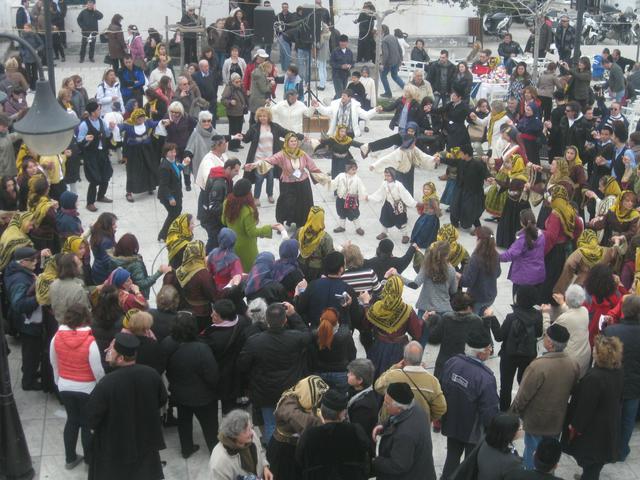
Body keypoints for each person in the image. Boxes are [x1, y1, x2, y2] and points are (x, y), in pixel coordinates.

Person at [87, 333, 167, 480]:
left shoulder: (107, 383)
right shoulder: (151, 374)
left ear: (121, 358)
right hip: (146, 439)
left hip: (115, 444)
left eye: (112, 350)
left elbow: (93, 416)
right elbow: (161, 399)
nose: (109, 352)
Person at [237, 302, 311, 444]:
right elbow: (307, 334)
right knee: (294, 423)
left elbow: (242, 364)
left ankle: (274, 454)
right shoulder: (295, 338)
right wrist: (294, 314)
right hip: (291, 390)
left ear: (267, 320)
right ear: (284, 320)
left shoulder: (254, 341)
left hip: (266, 391)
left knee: (271, 425)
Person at [510, 324, 580, 469]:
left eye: (546, 336)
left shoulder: (538, 366)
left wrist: (513, 414)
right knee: (548, 455)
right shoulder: (573, 364)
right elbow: (573, 390)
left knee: (532, 454)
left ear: (550, 343)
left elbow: (523, 396)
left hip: (536, 421)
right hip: (556, 420)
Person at [440, 326, 500, 479]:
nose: (490, 350)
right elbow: (489, 411)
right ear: (481, 353)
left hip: (452, 423)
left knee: (451, 459)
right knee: (470, 464)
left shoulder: (452, 363)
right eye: (489, 348)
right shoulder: (485, 378)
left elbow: (442, 390)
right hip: (473, 431)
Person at [50, 304, 104, 470]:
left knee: (72, 421)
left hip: (65, 386)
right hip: (86, 388)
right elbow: (98, 370)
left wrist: (59, 382)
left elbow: (54, 362)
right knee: (87, 425)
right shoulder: (90, 341)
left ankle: (70, 459)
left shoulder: (56, 338)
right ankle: (89, 461)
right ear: (86, 319)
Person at [562, 335, 623, 479]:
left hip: (594, 429)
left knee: (591, 461)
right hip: (609, 423)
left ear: (600, 355)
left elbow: (585, 407)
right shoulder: (618, 371)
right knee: (596, 461)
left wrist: (575, 427)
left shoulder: (595, 377)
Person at [161, 311, 220, 458]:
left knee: (184, 423)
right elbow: (212, 375)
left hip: (179, 393)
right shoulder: (201, 348)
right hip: (203, 397)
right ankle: (214, 451)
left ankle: (186, 449)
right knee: (210, 426)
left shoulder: (167, 343)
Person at [245, 133, 329, 227]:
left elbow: (312, 167)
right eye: (291, 141)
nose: (294, 143)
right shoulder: (282, 155)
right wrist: (254, 165)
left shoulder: (302, 154)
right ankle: (281, 222)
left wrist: (325, 179)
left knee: (303, 204)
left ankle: (301, 223)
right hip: (288, 184)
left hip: (303, 183)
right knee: (286, 203)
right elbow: (269, 160)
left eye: (295, 141)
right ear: (287, 142)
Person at [487, 285, 542, 411]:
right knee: (524, 384)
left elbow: (499, 337)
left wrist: (492, 318)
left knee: (505, 387)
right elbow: (538, 334)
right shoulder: (538, 316)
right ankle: (520, 409)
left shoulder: (511, 317)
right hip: (529, 356)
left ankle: (504, 412)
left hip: (509, 355)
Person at [295, 389, 370, 480]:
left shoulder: (309, 435)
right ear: (342, 414)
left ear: (322, 411)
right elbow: (367, 455)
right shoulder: (355, 431)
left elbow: (299, 461)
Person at [267, 375, 328, 480]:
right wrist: (323, 421)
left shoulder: (307, 401)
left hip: (299, 448)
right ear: (309, 392)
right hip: (284, 450)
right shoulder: (288, 403)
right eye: (318, 395)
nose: (319, 399)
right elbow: (303, 421)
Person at [371, 382, 437, 480]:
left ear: (399, 408)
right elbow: (396, 418)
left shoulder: (405, 435)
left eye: (387, 404)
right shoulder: (415, 408)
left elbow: (398, 466)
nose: (384, 405)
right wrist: (383, 426)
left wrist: (375, 461)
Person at [603, 294, 640, 461]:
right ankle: (622, 450)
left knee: (612, 417)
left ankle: (609, 448)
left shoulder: (612, 331)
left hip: (614, 382)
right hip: (635, 385)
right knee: (628, 420)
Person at [375, 341, 447, 422]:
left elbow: (378, 386)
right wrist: (427, 419)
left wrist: (394, 367)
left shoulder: (393, 376)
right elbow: (441, 408)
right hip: (419, 427)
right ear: (420, 358)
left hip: (393, 425)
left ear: (404, 359)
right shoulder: (433, 382)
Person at [6, 247, 46, 390]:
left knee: (31, 351)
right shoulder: (19, 280)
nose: (36, 261)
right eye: (33, 259)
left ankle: (29, 372)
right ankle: (28, 382)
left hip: (27, 321)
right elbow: (19, 304)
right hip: (27, 323)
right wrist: (39, 298)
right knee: (31, 352)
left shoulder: (20, 271)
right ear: (22, 262)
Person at [221, 178, 281, 271]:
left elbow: (223, 221)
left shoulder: (227, 202)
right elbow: (252, 232)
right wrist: (269, 228)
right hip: (247, 248)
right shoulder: (248, 211)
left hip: (231, 245)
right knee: (249, 270)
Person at [296, 251, 362, 329]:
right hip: (340, 334)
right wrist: (363, 303)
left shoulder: (313, 285)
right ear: (341, 269)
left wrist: (301, 292)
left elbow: (300, 308)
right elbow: (356, 318)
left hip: (315, 331)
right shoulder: (348, 290)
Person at [398, 240, 457, 321]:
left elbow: (415, 285)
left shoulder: (427, 266)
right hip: (444, 311)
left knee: (422, 332)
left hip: (425, 309)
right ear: (447, 255)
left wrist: (397, 275)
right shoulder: (451, 270)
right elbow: (454, 291)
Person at [208, 409, 273, 480]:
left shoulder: (251, 436)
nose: (251, 433)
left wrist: (265, 467)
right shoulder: (219, 462)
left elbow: (260, 452)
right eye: (246, 431)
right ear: (234, 435)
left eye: (251, 428)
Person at [439, 143, 490, 231]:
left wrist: (488, 177)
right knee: (454, 207)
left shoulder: (477, 164)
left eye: (461, 153)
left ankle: (478, 228)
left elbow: (485, 173)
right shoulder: (461, 161)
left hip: (473, 192)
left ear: (466, 154)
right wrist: (440, 159)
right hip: (460, 189)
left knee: (470, 211)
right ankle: (454, 225)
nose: (459, 154)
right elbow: (451, 161)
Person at [77, 100, 113, 212]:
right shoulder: (84, 125)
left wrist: (111, 128)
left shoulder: (101, 121)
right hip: (91, 155)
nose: (100, 110)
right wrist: (86, 140)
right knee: (94, 179)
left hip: (102, 153)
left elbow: (107, 134)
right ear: (93, 112)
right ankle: (90, 202)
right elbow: (79, 141)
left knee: (106, 175)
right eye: (98, 109)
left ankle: (101, 196)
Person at [117, 108, 160, 201]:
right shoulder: (128, 125)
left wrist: (164, 121)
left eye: (142, 118)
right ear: (134, 118)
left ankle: (150, 186)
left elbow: (156, 123)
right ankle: (129, 192)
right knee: (132, 172)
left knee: (149, 168)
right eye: (139, 118)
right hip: (133, 152)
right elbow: (119, 128)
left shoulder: (147, 122)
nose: (141, 120)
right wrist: (113, 127)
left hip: (147, 150)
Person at [310, 308, 357, 393]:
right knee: (340, 400)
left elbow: (312, 355)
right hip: (340, 374)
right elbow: (352, 354)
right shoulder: (345, 334)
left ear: (321, 320)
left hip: (320, 372)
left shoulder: (314, 335)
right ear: (337, 321)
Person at [368, 167, 419, 244]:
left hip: (398, 205)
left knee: (401, 220)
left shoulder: (399, 185)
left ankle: (405, 235)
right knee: (384, 218)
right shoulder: (384, 183)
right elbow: (379, 193)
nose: (387, 177)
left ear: (393, 175)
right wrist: (369, 197)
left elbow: (406, 195)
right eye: (385, 175)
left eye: (389, 175)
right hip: (388, 204)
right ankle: (384, 232)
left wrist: (414, 203)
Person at [202, 158, 241, 253]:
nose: (237, 173)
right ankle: (207, 261)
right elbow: (214, 207)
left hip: (215, 218)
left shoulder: (224, 179)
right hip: (213, 221)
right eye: (235, 170)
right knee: (213, 243)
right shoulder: (219, 184)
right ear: (228, 169)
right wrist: (230, 207)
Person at [460, 227, 501, 315]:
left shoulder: (475, 258)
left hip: (476, 297)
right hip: (491, 295)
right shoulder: (496, 254)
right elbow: (498, 273)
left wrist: (458, 276)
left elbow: (467, 281)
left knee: (475, 322)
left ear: (480, 241)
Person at [312, 89, 377, 138]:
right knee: (339, 149)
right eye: (342, 95)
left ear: (349, 97)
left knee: (344, 149)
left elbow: (366, 115)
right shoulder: (335, 104)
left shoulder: (355, 106)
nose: (342, 97)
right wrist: (318, 105)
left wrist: (375, 110)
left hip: (349, 132)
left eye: (344, 96)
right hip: (338, 131)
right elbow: (325, 111)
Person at [477, 413, 524, 479]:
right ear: (510, 433)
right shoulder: (512, 462)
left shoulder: (485, 443)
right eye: (520, 428)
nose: (522, 430)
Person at [157, 143, 186, 241]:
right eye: (171, 152)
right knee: (173, 214)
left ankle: (172, 231)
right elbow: (163, 185)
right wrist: (170, 198)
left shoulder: (172, 162)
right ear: (166, 153)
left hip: (176, 193)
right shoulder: (164, 167)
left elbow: (176, 171)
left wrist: (184, 164)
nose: (174, 154)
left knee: (176, 212)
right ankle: (163, 235)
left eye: (174, 151)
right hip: (169, 195)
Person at [330, 160, 367, 235]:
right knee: (341, 212)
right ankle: (342, 226)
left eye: (355, 169)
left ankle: (358, 227)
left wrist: (364, 195)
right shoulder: (341, 176)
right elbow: (334, 183)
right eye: (353, 169)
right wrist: (327, 182)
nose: (355, 171)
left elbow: (361, 188)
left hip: (351, 200)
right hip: (341, 198)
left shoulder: (357, 179)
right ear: (347, 169)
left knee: (354, 214)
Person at [220, 74, 248, 152]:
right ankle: (231, 146)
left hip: (240, 112)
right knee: (233, 130)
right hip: (232, 113)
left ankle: (237, 143)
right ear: (232, 82)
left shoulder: (240, 87)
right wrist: (230, 102)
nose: (239, 83)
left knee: (239, 129)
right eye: (236, 82)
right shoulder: (229, 88)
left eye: (239, 81)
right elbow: (223, 99)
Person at [380, 25, 405, 98]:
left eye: (380, 30)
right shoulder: (393, 37)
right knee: (395, 76)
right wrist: (400, 60)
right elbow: (400, 49)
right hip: (396, 61)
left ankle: (388, 93)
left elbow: (386, 54)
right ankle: (407, 90)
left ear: (383, 31)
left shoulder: (384, 40)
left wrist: (382, 64)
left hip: (389, 62)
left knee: (383, 76)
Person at [330, 35, 354, 99]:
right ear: (339, 42)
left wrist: (350, 66)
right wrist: (341, 66)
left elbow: (352, 62)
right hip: (337, 75)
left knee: (343, 92)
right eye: (341, 42)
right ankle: (338, 106)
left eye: (344, 42)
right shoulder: (335, 51)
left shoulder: (349, 52)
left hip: (345, 75)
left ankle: (334, 102)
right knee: (340, 93)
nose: (343, 43)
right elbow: (331, 63)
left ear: (347, 43)